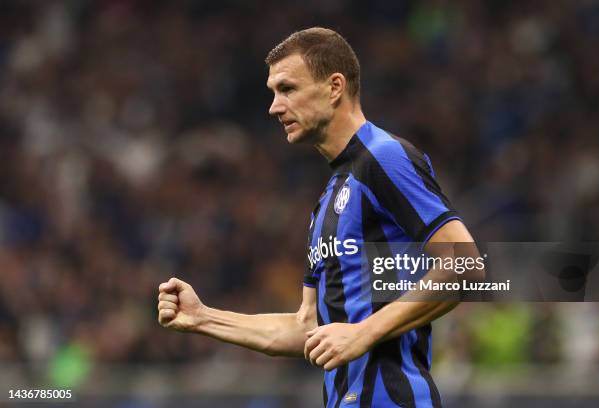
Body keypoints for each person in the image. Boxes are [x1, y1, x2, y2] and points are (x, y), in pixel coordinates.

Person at [158, 27, 480, 407]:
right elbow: (307, 327)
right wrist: (204, 318)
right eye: (273, 92)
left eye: (287, 89)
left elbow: (465, 266)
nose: (274, 107)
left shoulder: (382, 157)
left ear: (334, 87)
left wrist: (363, 333)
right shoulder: (328, 200)